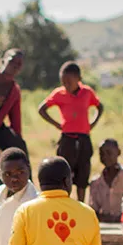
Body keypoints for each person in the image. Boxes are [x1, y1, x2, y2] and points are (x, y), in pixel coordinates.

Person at [38, 61, 104, 201]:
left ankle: (80, 204)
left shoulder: (87, 92)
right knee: (63, 172)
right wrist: (56, 124)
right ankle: (64, 203)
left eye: (69, 81)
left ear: (78, 79)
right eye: (63, 82)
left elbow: (100, 107)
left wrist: (93, 122)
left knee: (83, 173)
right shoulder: (59, 94)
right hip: (67, 139)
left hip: (84, 138)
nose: (66, 85)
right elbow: (41, 109)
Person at [87, 138, 123, 223]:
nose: (105, 157)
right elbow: (93, 212)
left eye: (108, 153)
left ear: (118, 152)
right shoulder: (95, 183)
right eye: (101, 154)